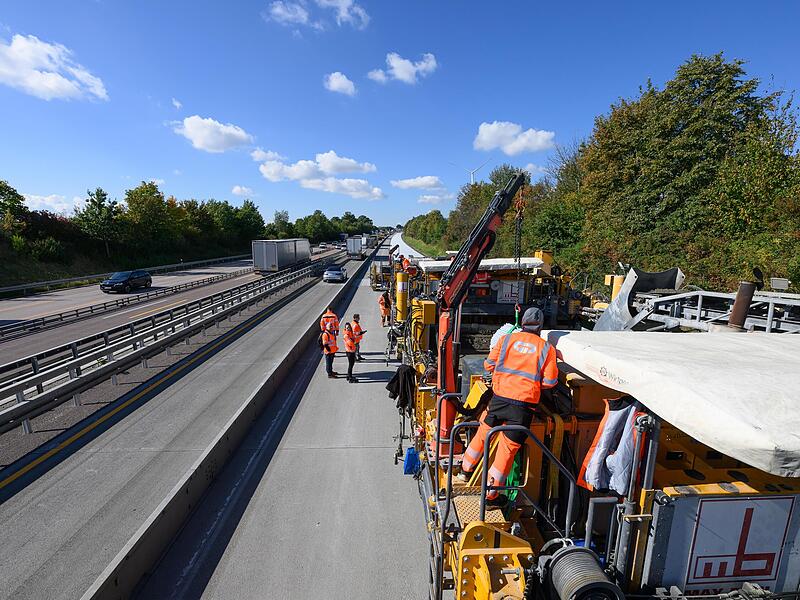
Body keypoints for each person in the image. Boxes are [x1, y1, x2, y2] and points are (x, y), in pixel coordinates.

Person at [457, 308, 558, 505]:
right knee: (507, 450)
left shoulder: (506, 340)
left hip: (499, 399)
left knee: (484, 434)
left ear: (523, 323)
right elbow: (550, 382)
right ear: (540, 327)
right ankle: (490, 495)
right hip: (522, 407)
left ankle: (464, 470)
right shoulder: (547, 349)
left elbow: (488, 365)